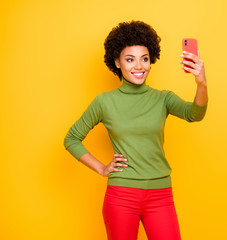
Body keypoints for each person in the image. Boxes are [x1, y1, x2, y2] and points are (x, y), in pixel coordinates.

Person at [64, 20, 208, 240]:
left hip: (161, 195)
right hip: (121, 196)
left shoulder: (163, 99)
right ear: (117, 62)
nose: (138, 66)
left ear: (151, 61)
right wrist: (102, 168)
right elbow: (72, 138)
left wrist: (201, 84)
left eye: (144, 59)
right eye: (129, 59)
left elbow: (194, 114)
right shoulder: (105, 102)